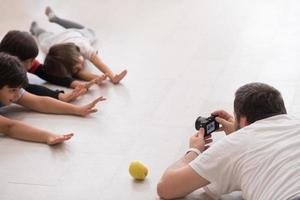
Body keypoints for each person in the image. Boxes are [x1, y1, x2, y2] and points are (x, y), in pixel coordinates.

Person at [157, 82, 300, 200]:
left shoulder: (237, 143)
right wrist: (238, 131)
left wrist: (193, 151)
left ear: (243, 120)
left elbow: (166, 188)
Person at [0, 52, 105, 145]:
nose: (18, 95)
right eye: (13, 90)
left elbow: (39, 102)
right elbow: (10, 127)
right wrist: (47, 136)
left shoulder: (10, 87)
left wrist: (78, 109)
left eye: (19, 89)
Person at [30, 6, 127, 85]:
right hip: (55, 40)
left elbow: (100, 63)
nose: (80, 67)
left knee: (90, 31)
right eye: (76, 68)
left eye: (78, 63)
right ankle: (35, 28)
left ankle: (56, 19)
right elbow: (79, 74)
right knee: (42, 36)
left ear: (77, 53)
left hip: (77, 34)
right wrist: (98, 78)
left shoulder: (83, 46)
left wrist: (112, 77)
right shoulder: (51, 49)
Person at [0, 30, 101, 102]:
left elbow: (45, 72)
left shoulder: (18, 60)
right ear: (14, 59)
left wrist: (74, 83)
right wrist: (59, 96)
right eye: (30, 61)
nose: (32, 64)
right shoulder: (5, 69)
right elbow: (25, 89)